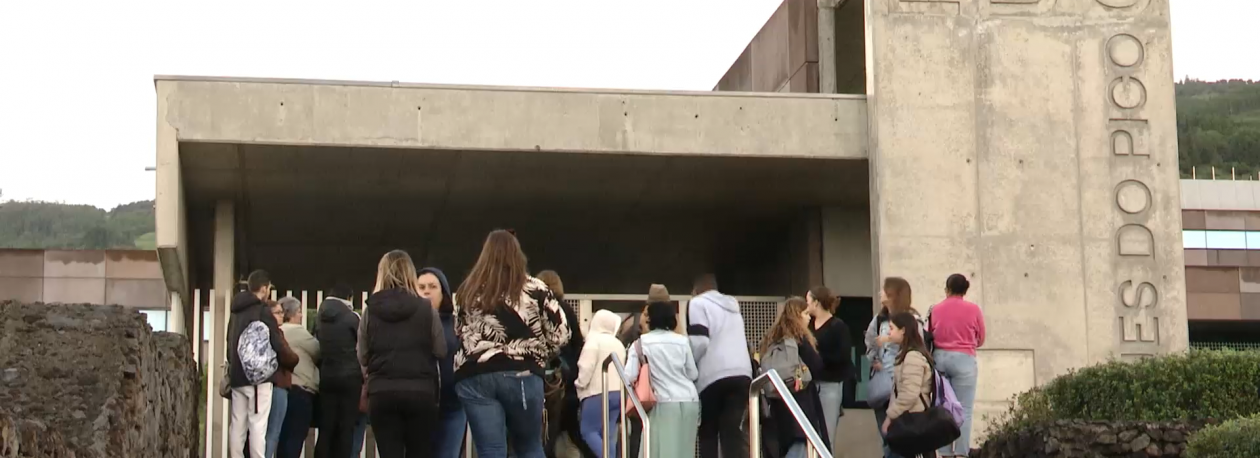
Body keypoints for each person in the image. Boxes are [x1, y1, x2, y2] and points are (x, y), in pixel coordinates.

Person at [454, 230, 571, 458]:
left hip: (475, 375)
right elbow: (561, 333)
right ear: (518, 256)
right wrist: (540, 353)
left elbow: (460, 331)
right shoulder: (536, 288)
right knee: (529, 447)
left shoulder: (467, 290)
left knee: (490, 449)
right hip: (523, 374)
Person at [358, 250, 446, 458]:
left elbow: (362, 355)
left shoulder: (370, 310)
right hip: (421, 393)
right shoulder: (426, 309)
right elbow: (441, 349)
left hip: (382, 393)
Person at [227, 270, 293, 458]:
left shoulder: (235, 312)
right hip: (258, 379)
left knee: (237, 424)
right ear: (264, 288)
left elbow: (229, 341)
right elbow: (276, 343)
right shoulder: (262, 311)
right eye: (269, 288)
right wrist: (286, 361)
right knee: (258, 425)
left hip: (237, 376)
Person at [624, 300, 701, 458]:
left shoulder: (640, 344)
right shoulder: (682, 341)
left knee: (660, 451)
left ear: (650, 319)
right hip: (689, 400)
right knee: (685, 452)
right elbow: (693, 374)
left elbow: (628, 376)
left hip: (663, 401)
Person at [687, 274, 753, 458]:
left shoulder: (697, 303)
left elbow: (699, 341)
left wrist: (689, 366)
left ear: (696, 290)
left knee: (708, 431)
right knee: (732, 432)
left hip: (712, 376)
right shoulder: (733, 306)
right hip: (742, 374)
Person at [759, 297, 829, 458]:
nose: (809, 317)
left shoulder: (771, 338)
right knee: (801, 447)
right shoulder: (799, 338)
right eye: (805, 313)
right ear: (797, 315)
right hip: (800, 403)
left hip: (777, 404)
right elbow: (817, 366)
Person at [536, 270, 595, 458]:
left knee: (547, 434)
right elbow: (578, 343)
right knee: (572, 432)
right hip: (568, 382)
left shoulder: (539, 310)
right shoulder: (567, 310)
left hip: (548, 382)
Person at [927, 274, 985, 457]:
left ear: (947, 289)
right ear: (965, 290)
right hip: (964, 360)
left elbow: (928, 335)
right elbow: (981, 338)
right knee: (964, 409)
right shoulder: (974, 310)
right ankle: (961, 453)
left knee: (943, 408)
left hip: (940, 360)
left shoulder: (935, 309)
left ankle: (944, 453)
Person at [864, 277, 921, 458]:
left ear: (894, 295)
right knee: (886, 434)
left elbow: (918, 343)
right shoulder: (879, 320)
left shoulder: (912, 319)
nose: (880, 293)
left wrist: (888, 339)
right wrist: (874, 359)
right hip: (883, 382)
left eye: (885, 290)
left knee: (901, 435)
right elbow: (869, 342)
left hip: (902, 384)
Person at [418, 266, 468, 458]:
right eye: (421, 287)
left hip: (452, 407)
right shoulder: (409, 323)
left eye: (432, 286)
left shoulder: (457, 324)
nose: (426, 291)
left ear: (444, 292)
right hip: (419, 408)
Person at [314, 284, 362, 458]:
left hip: (327, 376)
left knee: (326, 427)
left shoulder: (319, 318)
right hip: (351, 378)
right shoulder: (352, 317)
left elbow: (316, 345)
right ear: (348, 298)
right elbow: (363, 345)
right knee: (346, 427)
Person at [806, 286, 854, 450]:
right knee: (809, 432)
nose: (807, 306)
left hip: (830, 383)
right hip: (809, 383)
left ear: (817, 303)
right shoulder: (808, 325)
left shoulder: (838, 326)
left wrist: (817, 359)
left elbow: (843, 356)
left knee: (826, 434)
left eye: (809, 301)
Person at [880, 312, 934, 458]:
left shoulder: (912, 357)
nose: (889, 332)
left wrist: (889, 417)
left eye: (892, 328)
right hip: (908, 421)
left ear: (903, 330)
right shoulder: (907, 354)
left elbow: (909, 394)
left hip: (911, 422)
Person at [574, 309, 626, 457]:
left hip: (596, 393)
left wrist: (579, 384)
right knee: (607, 436)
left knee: (588, 431)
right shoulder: (618, 344)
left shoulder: (593, 341)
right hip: (618, 394)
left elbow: (586, 367)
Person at [277, 297, 320, 458]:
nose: (302, 315)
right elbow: (318, 351)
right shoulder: (298, 332)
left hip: (283, 389)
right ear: (293, 313)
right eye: (300, 311)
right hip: (301, 390)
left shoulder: (277, 330)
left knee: (282, 436)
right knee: (295, 438)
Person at [265, 299, 301, 458]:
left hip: (267, 385)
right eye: (278, 313)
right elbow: (288, 357)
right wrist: (294, 358)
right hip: (279, 384)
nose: (282, 315)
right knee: (274, 430)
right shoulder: (275, 332)